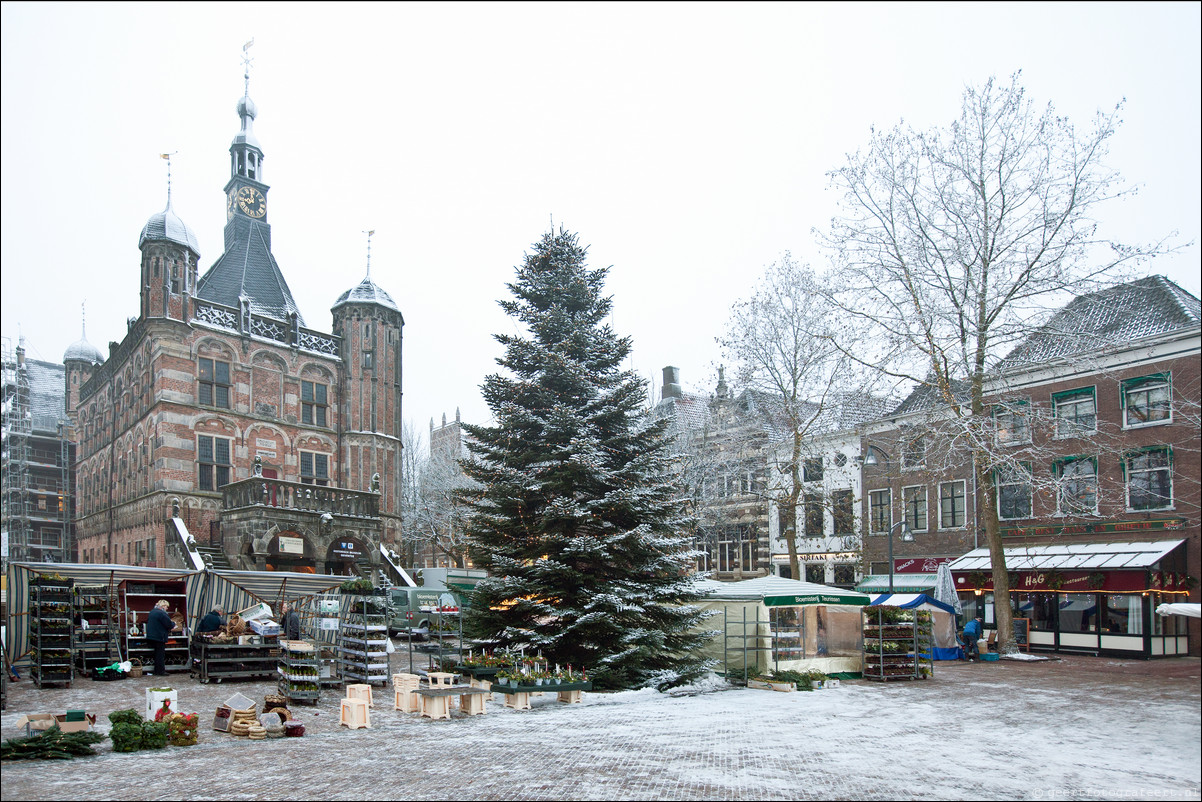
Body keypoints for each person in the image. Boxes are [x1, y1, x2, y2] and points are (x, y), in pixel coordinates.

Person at [145, 599, 175, 676]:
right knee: (160, 655)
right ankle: (160, 671)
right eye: (166, 606)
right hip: (159, 637)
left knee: (156, 654)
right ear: (163, 606)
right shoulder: (162, 614)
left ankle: (156, 670)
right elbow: (169, 624)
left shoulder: (152, 612)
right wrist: (173, 624)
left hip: (151, 636)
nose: (167, 608)